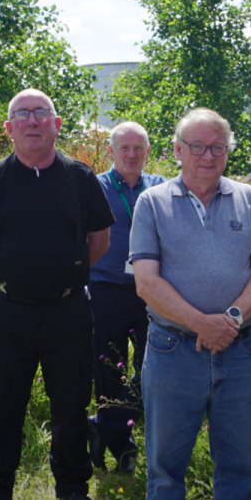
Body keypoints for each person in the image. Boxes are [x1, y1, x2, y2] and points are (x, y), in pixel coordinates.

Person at [130, 107, 251, 500]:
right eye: (197, 146)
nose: (208, 156)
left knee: (236, 465)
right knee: (166, 467)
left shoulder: (250, 199)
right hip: (174, 352)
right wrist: (203, 324)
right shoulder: (152, 203)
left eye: (217, 147)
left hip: (239, 353)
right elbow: (146, 282)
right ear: (177, 151)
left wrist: (230, 319)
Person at [0, 89, 114, 500]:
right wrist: (19, 277)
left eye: (40, 113)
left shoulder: (80, 178)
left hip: (68, 312)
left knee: (70, 405)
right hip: (9, 313)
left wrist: (65, 276)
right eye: (22, 115)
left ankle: (72, 491)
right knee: (2, 405)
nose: (32, 121)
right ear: (9, 128)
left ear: (57, 123)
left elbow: (98, 242)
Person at [89, 122, 166, 474]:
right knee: (108, 372)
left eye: (139, 148)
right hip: (107, 289)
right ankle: (124, 451)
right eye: (125, 148)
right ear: (112, 152)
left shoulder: (161, 188)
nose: (132, 154)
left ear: (147, 152)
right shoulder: (95, 187)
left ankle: (105, 425)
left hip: (151, 292)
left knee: (152, 370)